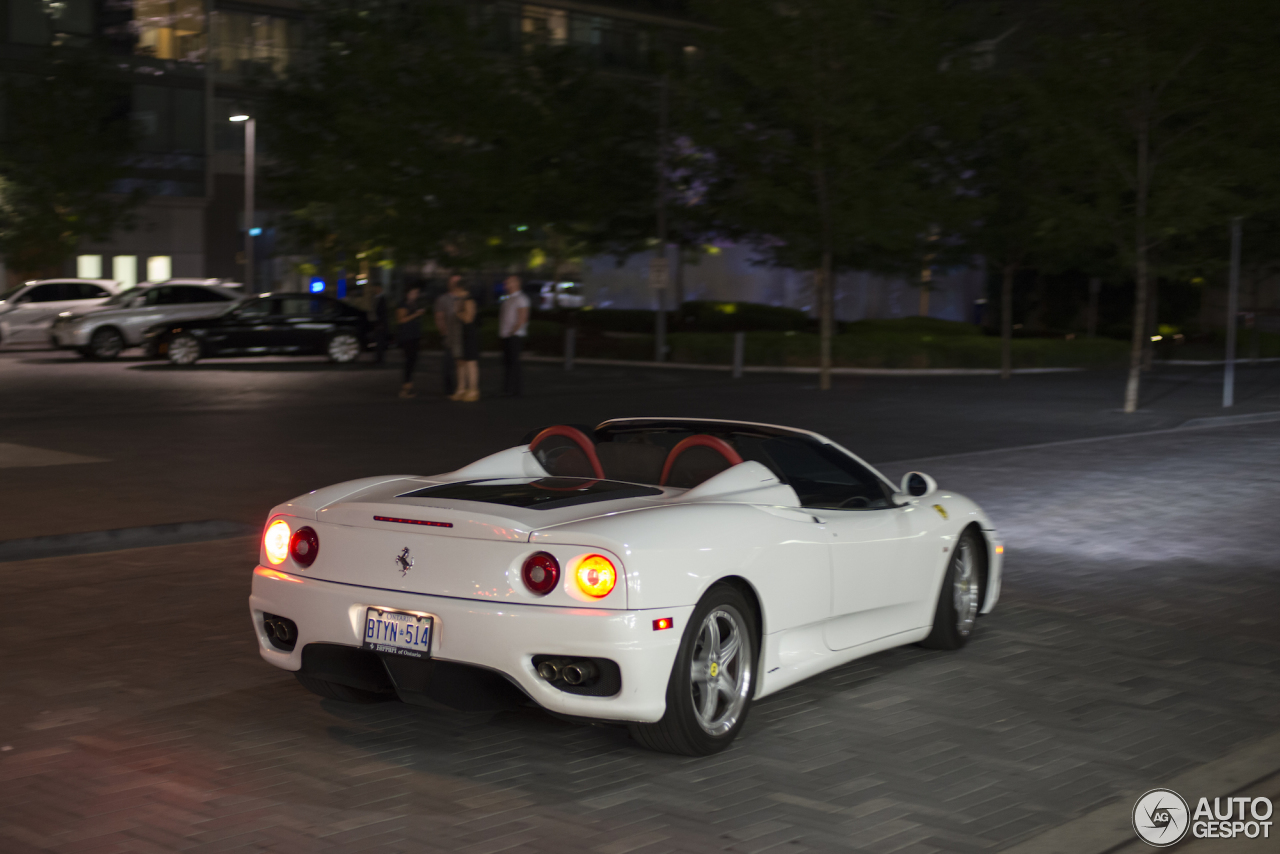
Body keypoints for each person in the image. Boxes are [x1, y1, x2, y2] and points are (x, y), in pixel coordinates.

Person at [498, 274, 530, 396]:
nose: (506, 284)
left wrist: (513, 331)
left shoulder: (521, 298)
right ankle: (507, 389)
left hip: (514, 336)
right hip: (506, 335)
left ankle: (516, 390)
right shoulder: (508, 299)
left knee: (514, 363)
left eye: (509, 282)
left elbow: (523, 317)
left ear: (516, 283)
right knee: (507, 363)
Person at [449, 277, 481, 402]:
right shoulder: (461, 300)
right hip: (460, 335)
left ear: (459, 288)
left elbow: (469, 318)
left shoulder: (469, 300)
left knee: (471, 363)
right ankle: (461, 389)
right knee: (460, 362)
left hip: (469, 335)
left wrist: (458, 312)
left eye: (455, 288)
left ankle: (473, 390)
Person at [434, 275, 464, 397]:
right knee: (448, 363)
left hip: (462, 335)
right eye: (452, 282)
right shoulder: (443, 299)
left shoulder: (464, 298)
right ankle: (450, 389)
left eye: (457, 282)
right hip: (450, 335)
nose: (454, 284)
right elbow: (439, 317)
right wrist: (444, 332)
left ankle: (462, 387)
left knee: (462, 363)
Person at [396, 285, 426, 399]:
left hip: (415, 336)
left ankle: (408, 386)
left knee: (413, 361)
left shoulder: (414, 304)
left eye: (417, 293)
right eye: (414, 293)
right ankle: (405, 389)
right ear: (407, 293)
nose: (416, 295)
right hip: (407, 337)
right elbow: (401, 320)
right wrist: (416, 314)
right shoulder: (402, 304)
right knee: (409, 361)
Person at [369, 282, 390, 365]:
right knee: (378, 341)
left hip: (381, 324)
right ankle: (379, 358)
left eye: (377, 288)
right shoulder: (375, 298)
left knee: (380, 341)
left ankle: (380, 359)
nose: (375, 290)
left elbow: (383, 313)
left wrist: (381, 324)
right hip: (377, 323)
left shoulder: (382, 299)